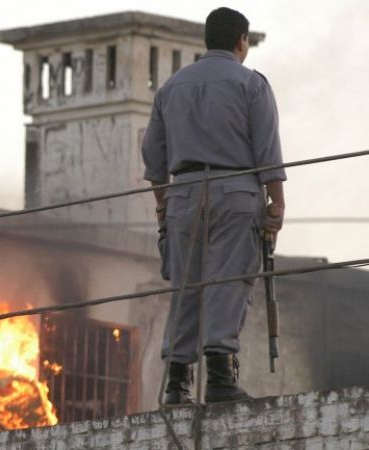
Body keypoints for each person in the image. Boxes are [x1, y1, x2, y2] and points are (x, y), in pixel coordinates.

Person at [141, 7, 286, 404]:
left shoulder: (171, 88)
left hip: (182, 194)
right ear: (242, 41)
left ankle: (176, 384)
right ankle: (220, 378)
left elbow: (154, 159)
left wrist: (162, 210)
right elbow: (268, 151)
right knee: (229, 281)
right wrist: (277, 204)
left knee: (185, 287)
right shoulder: (251, 84)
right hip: (237, 189)